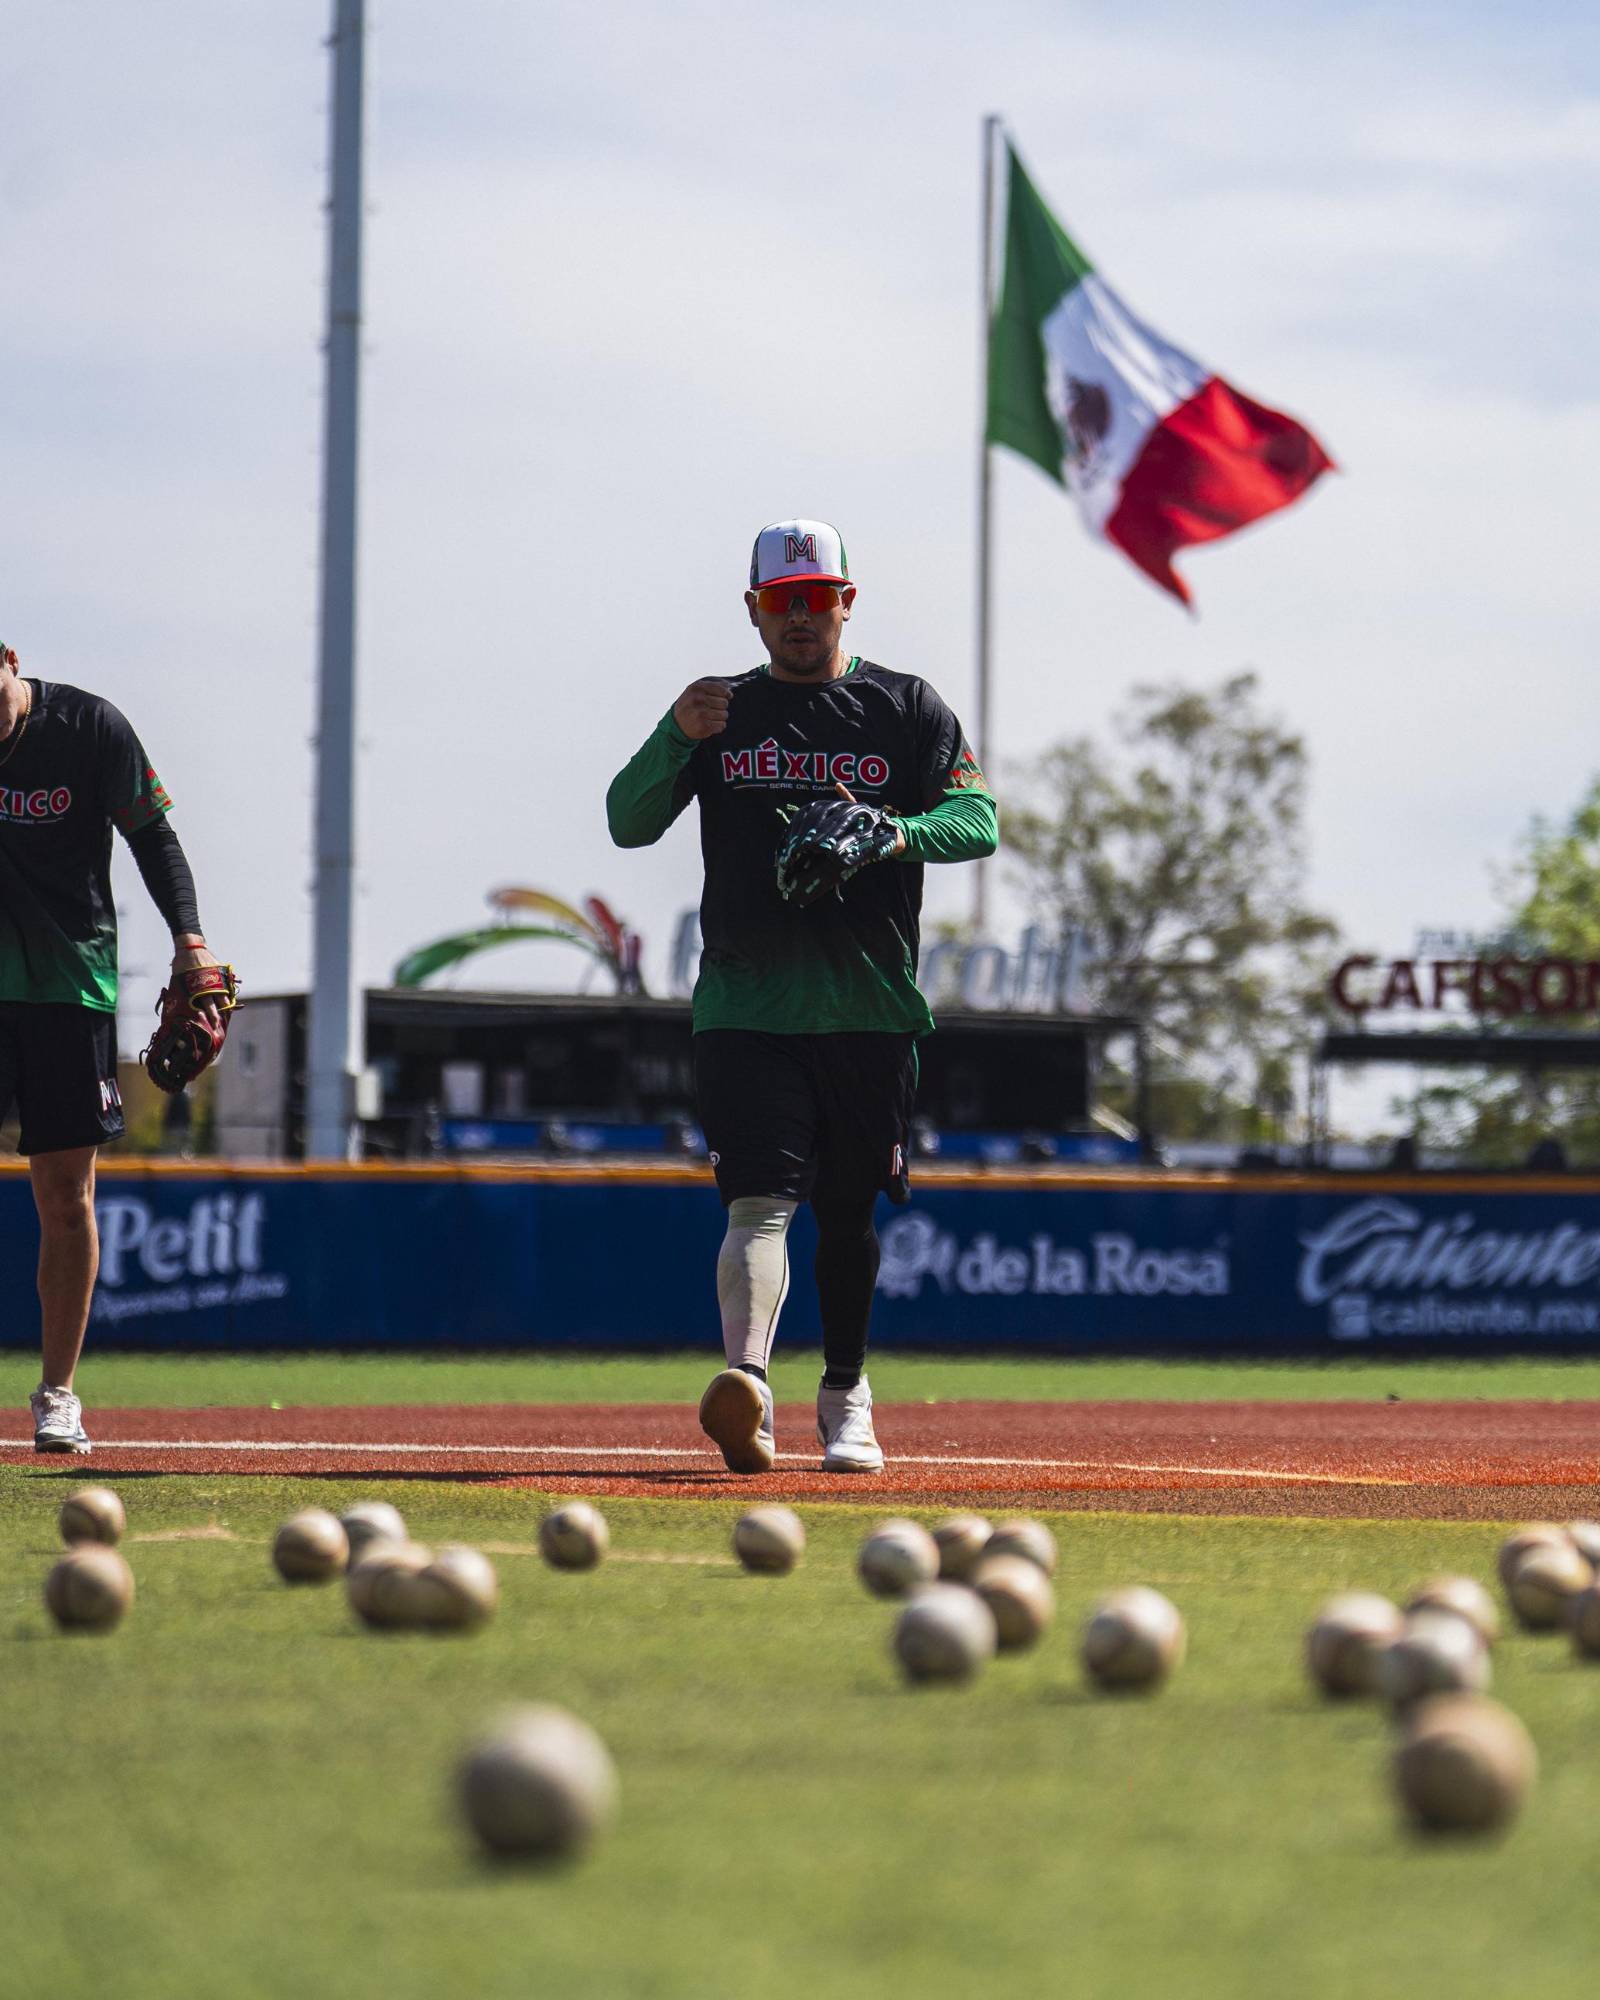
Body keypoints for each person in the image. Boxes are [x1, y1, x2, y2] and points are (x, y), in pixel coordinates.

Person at [606, 521, 996, 1474]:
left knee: (850, 1216)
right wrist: (674, 735)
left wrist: (890, 833)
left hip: (868, 1008)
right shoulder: (718, 710)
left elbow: (976, 819)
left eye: (817, 598)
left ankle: (846, 1393)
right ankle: (747, 1384)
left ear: (847, 602)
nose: (801, 616)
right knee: (757, 1204)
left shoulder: (904, 706)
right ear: (754, 610)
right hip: (745, 1007)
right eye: (782, 601)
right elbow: (626, 821)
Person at [0, 645, 226, 1453]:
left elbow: (153, 838)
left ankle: (57, 1394)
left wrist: (190, 943)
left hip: (69, 988)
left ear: (9, 662)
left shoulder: (90, 727)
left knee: (66, 1201)